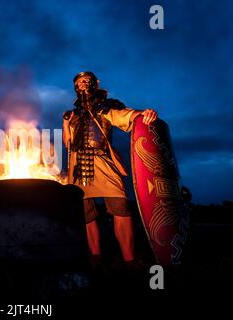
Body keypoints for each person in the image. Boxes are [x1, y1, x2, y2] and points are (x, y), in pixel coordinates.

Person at [62, 71, 157, 267]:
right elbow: (68, 143)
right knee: (87, 214)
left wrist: (143, 113)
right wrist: (65, 123)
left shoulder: (105, 107)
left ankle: (129, 258)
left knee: (120, 208)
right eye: (79, 82)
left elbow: (127, 115)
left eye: (86, 80)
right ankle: (95, 257)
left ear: (94, 83)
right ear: (75, 87)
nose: (83, 84)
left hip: (103, 160)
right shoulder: (71, 115)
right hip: (78, 165)